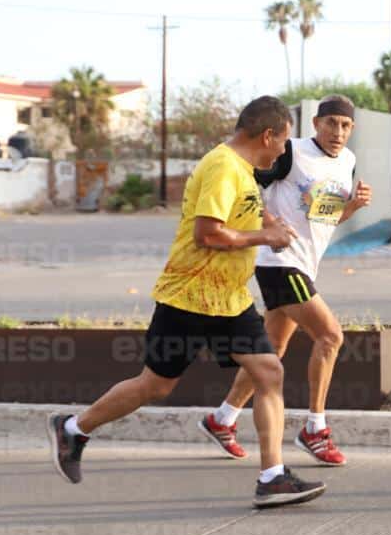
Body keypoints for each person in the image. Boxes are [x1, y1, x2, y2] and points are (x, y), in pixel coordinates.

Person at [47, 95, 327, 508]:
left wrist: (268, 222)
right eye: (283, 141)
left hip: (229, 300)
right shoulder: (222, 167)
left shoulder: (244, 171)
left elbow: (243, 211)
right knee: (156, 385)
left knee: (269, 372)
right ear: (267, 135)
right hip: (190, 296)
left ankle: (272, 477)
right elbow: (208, 234)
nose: (285, 150)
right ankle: (74, 428)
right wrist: (265, 237)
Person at [198, 94, 372, 467]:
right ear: (316, 124)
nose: (337, 132)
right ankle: (315, 428)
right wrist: (264, 223)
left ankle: (222, 419)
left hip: (305, 265)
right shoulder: (291, 152)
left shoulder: (348, 162)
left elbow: (325, 218)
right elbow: (245, 183)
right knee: (331, 336)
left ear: (352, 130)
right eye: (330, 123)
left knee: (271, 352)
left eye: (344, 126)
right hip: (278, 262)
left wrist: (352, 207)